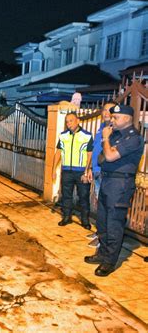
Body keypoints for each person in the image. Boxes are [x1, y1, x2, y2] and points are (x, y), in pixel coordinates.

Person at [84, 104, 144, 277]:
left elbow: (109, 156)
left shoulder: (133, 138)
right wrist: (108, 147)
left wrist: (106, 141)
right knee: (102, 221)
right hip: (107, 180)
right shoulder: (115, 135)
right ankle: (101, 254)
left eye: (115, 117)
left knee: (114, 224)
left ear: (126, 118)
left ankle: (109, 262)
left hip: (120, 184)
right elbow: (102, 159)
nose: (111, 120)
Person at [52, 113, 94, 229]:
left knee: (83, 197)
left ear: (78, 121)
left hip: (81, 172)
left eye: (71, 121)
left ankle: (85, 220)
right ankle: (66, 217)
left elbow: (90, 154)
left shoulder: (87, 136)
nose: (68, 123)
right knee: (66, 196)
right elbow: (58, 153)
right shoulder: (63, 136)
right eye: (67, 121)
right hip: (66, 171)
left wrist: (87, 171)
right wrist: (53, 169)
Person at [86, 102, 115, 247]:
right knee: (100, 205)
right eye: (104, 110)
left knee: (106, 207)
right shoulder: (101, 128)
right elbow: (96, 149)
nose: (105, 113)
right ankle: (99, 232)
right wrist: (90, 168)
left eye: (109, 110)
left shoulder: (114, 130)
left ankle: (104, 238)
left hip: (106, 173)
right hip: (97, 171)